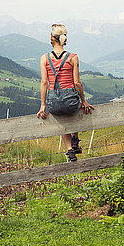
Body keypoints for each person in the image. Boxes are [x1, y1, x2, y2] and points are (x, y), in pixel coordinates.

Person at [36, 24, 94, 161]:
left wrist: (43, 105)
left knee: (61, 115)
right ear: (64, 39)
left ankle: (69, 149)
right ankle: (75, 137)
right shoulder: (72, 57)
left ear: (51, 38)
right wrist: (84, 101)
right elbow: (77, 83)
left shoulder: (44, 58)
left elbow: (44, 82)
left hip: (52, 101)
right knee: (77, 107)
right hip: (70, 100)